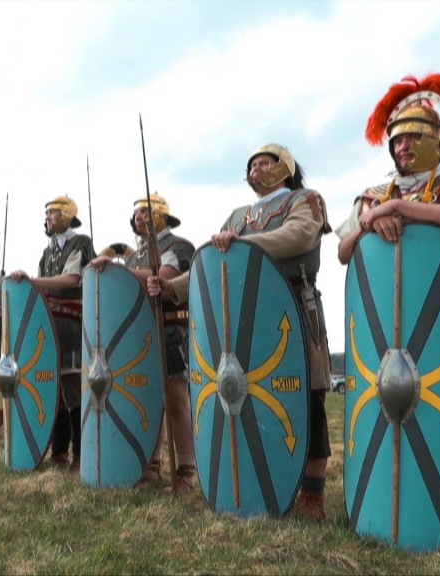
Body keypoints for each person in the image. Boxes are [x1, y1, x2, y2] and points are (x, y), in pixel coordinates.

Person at [147, 144, 333, 521]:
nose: (256, 170)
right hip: (244, 323)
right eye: (251, 165)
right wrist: (174, 288)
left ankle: (312, 496)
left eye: (264, 162)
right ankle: (258, 483)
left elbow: (299, 237)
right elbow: (217, 261)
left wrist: (244, 242)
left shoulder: (304, 200)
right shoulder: (237, 215)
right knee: (246, 401)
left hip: (292, 307)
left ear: (285, 168)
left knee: (307, 401)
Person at [337, 73, 440, 264]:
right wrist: (368, 225)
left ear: (437, 144)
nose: (403, 146)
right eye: (398, 141)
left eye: (413, 137)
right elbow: (343, 253)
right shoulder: (374, 197)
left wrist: (397, 206)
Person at [88, 194, 197, 490]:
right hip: (144, 335)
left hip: (172, 329)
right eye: (136, 213)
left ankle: (186, 470)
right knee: (149, 402)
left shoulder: (177, 246)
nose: (139, 217)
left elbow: (165, 276)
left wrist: (117, 269)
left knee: (175, 400)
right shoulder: (136, 255)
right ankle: (150, 464)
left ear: (163, 215)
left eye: (145, 212)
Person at [9, 195, 96, 473]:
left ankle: (80, 456)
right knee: (54, 391)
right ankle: (57, 452)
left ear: (67, 215)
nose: (47, 217)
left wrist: (33, 281)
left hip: (71, 324)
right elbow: (40, 292)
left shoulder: (80, 243)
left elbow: (71, 280)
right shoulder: (46, 254)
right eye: (47, 213)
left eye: (53, 213)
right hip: (48, 327)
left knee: (73, 390)